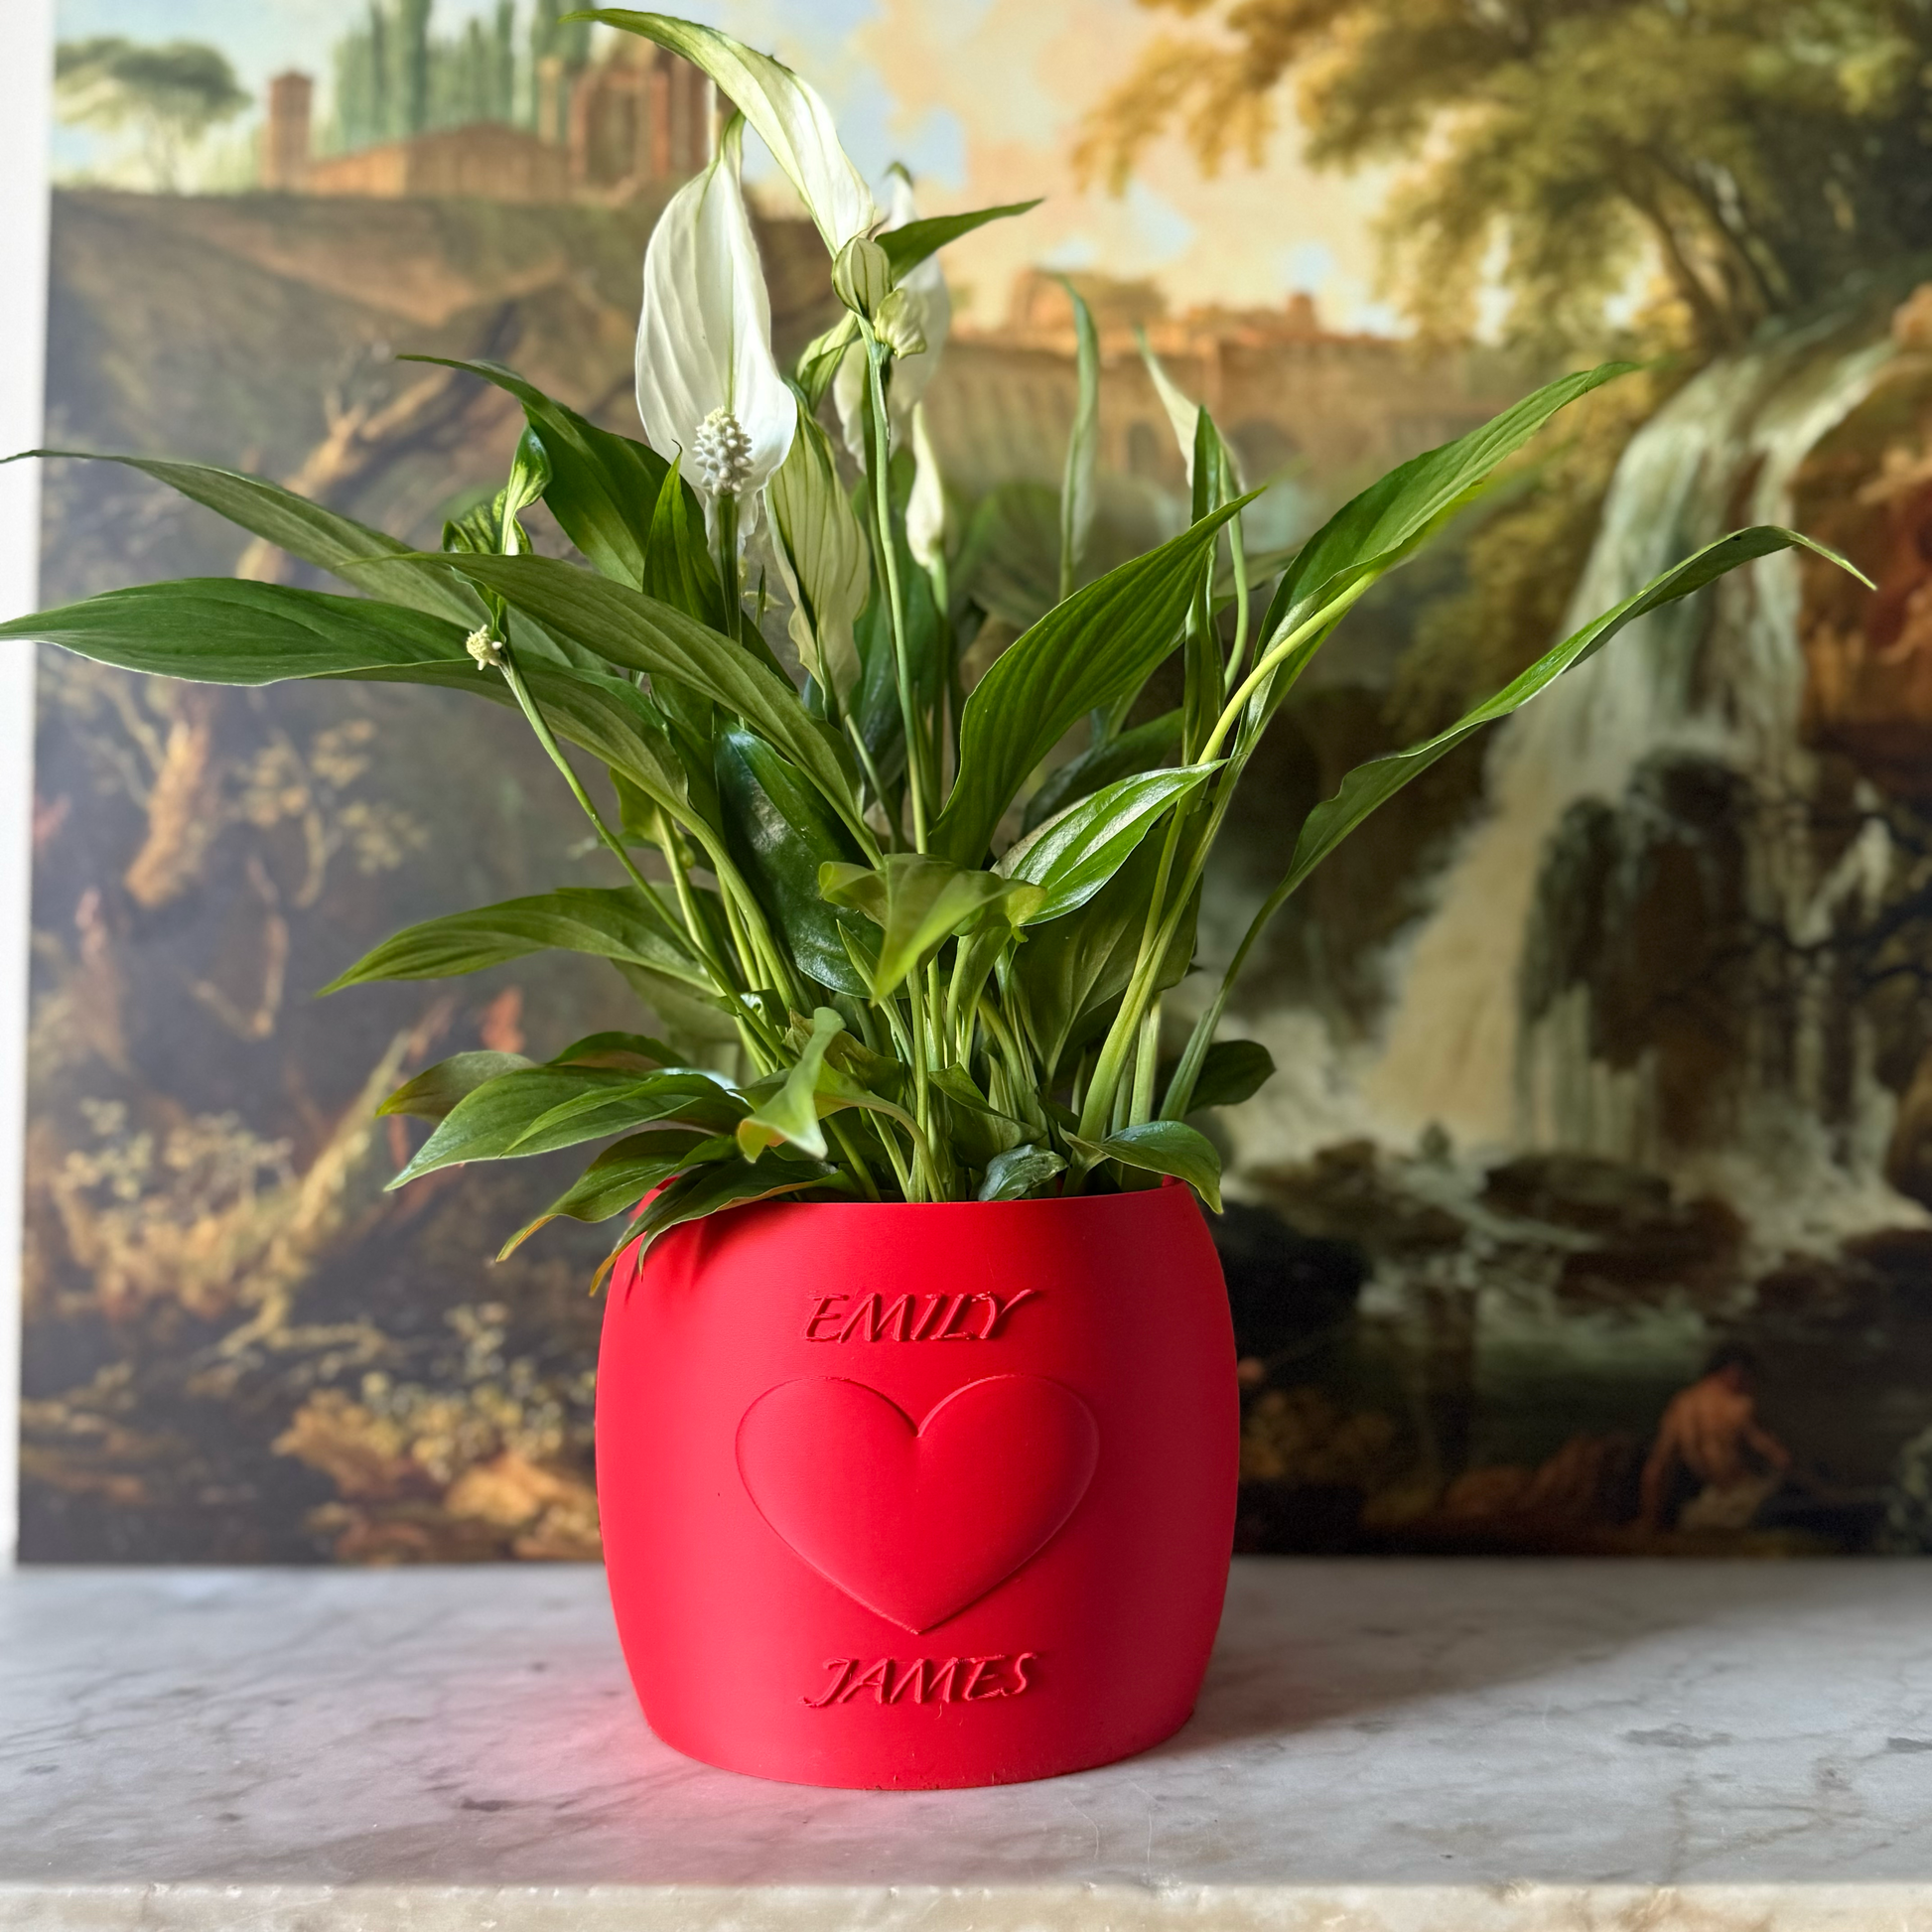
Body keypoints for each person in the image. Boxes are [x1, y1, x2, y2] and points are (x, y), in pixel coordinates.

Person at [1639, 1346, 1793, 1532]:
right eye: (1750, 1378)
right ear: (1734, 1372)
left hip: (1714, 1497)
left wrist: (1649, 1519)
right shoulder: (1738, 1405)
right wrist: (1782, 1459)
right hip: (1744, 1498)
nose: (1751, 1386)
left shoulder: (1681, 1406)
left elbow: (1656, 1469)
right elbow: (1774, 1454)